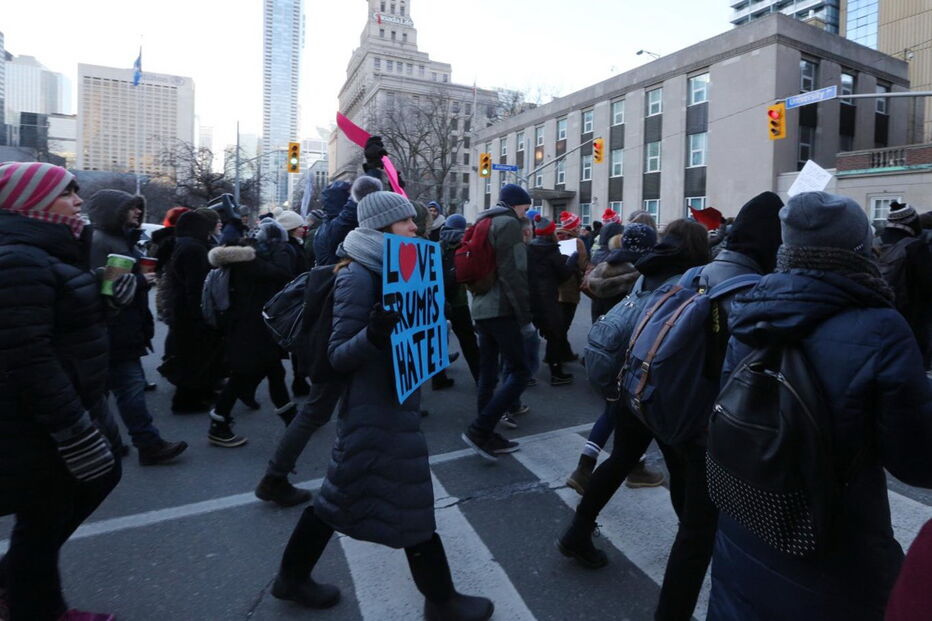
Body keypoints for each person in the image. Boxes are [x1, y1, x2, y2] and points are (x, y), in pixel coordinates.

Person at [707, 191, 932, 620]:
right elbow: (917, 461)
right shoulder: (882, 327)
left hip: (746, 525)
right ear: (858, 249)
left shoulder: (750, 310)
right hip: (833, 545)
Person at [271, 191, 494, 620]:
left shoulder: (397, 266)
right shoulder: (356, 275)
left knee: (340, 499)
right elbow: (339, 356)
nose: (415, 228)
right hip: (376, 407)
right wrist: (374, 334)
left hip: (392, 400)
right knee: (407, 498)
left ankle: (291, 577)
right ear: (381, 227)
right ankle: (441, 599)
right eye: (406, 222)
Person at [558, 219, 713, 621]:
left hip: (631, 383)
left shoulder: (649, 267)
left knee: (623, 458)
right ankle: (691, 541)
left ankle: (578, 531)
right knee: (680, 468)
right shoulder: (690, 280)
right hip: (662, 391)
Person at [0, 162, 122, 621]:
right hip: (42, 420)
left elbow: (63, 327)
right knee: (44, 516)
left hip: (73, 404)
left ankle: (19, 587)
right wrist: (72, 428)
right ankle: (37, 608)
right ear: (28, 200)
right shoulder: (18, 258)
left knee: (53, 511)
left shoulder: (46, 248)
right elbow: (26, 355)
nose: (77, 201)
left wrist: (107, 300)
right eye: (66, 193)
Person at [255, 176, 382, 507]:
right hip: (336, 329)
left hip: (341, 325)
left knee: (346, 409)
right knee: (317, 411)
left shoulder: (337, 229)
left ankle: (359, 476)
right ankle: (275, 477)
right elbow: (355, 216)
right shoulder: (337, 231)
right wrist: (365, 186)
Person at [86, 189, 188, 466]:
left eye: (137, 208)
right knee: (126, 390)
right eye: (131, 208)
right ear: (113, 212)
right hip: (114, 328)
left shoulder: (120, 239)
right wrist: (142, 282)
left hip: (122, 327)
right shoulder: (102, 241)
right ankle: (146, 444)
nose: (138, 212)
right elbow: (107, 288)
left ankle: (116, 443)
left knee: (109, 392)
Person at [567, 223, 663, 494]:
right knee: (628, 411)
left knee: (616, 411)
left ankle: (601, 466)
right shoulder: (640, 276)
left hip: (603, 348)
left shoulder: (603, 267)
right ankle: (593, 469)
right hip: (628, 351)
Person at [207, 220, 297, 447]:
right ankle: (218, 422)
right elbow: (282, 273)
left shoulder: (247, 261)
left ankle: (292, 421)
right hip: (250, 330)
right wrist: (281, 249)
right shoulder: (249, 263)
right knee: (243, 375)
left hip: (253, 328)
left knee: (273, 371)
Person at [461, 184, 532, 461]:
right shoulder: (508, 224)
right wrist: (525, 317)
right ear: (516, 204)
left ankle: (485, 431)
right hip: (502, 308)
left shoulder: (484, 221)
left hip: (481, 307)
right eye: (525, 207)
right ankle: (480, 430)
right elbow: (514, 271)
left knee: (488, 372)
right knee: (520, 371)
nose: (526, 212)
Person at [161, 210, 224, 413]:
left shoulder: (185, 245)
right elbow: (195, 286)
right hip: (190, 312)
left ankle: (198, 394)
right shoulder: (193, 249)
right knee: (193, 357)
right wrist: (200, 314)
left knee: (193, 355)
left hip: (183, 309)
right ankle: (187, 401)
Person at [876, 202, 932, 364]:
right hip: (912, 321)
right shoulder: (915, 247)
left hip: (880, 318)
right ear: (910, 221)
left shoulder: (873, 243)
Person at [528, 215, 578, 386]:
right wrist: (571, 261)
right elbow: (563, 275)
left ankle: (526, 373)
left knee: (528, 334)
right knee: (555, 334)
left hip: (530, 297)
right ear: (551, 233)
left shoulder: (530, 248)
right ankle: (556, 373)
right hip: (548, 299)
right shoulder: (552, 251)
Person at [438, 214, 481, 384]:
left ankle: (438, 378)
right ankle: (480, 378)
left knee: (437, 339)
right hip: (458, 301)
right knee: (468, 341)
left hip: (437, 299)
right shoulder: (464, 246)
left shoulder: (435, 246)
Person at [554, 211, 589, 362]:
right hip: (570, 287)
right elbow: (582, 264)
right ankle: (557, 355)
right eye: (578, 225)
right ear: (574, 227)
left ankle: (564, 352)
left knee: (558, 321)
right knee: (564, 324)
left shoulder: (554, 237)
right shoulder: (577, 242)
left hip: (554, 286)